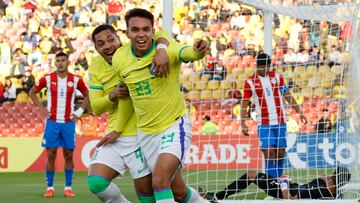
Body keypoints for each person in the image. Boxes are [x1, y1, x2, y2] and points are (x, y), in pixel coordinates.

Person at [112, 8, 209, 203]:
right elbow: (128, 96)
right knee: (180, 192)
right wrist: (117, 128)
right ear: (127, 32)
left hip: (174, 126)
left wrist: (197, 51)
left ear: (153, 31)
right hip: (146, 134)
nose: (141, 34)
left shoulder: (168, 49)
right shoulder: (119, 59)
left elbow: (187, 52)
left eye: (146, 29)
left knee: (159, 182)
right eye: (135, 30)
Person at [87, 24, 170, 203]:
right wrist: (112, 95)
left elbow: (161, 33)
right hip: (114, 135)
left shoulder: (132, 52)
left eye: (111, 40)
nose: (107, 46)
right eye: (100, 44)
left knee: (148, 197)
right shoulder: (95, 64)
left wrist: (162, 49)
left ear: (119, 39)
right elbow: (96, 107)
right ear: (96, 48)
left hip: (140, 134)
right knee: (96, 183)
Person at [29, 52, 89, 198]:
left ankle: (68, 188)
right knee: (51, 154)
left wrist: (80, 111)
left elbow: (88, 94)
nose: (60, 63)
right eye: (58, 61)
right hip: (52, 122)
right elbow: (32, 92)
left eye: (63, 60)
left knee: (68, 155)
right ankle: (50, 188)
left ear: (68, 62)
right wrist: (41, 107)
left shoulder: (76, 80)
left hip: (68, 123)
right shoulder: (48, 78)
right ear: (55, 63)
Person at [241, 53, 307, 178]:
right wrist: (242, 122)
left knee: (280, 152)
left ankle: (278, 181)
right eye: (262, 67)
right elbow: (244, 103)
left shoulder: (278, 78)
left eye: (267, 67)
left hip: (280, 121)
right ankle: (271, 185)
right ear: (257, 66)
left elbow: (288, 96)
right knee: (269, 152)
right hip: (264, 122)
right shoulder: (250, 82)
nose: (265, 70)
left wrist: (300, 112)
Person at [203, 167, 351, 201]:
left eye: (331, 176)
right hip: (289, 185)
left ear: (334, 179)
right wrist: (288, 181)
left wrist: (285, 183)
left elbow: (288, 199)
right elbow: (322, 177)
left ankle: (217, 197)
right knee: (252, 174)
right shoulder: (325, 184)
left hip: (282, 191)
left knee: (251, 175)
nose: (327, 177)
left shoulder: (324, 194)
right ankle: (218, 196)